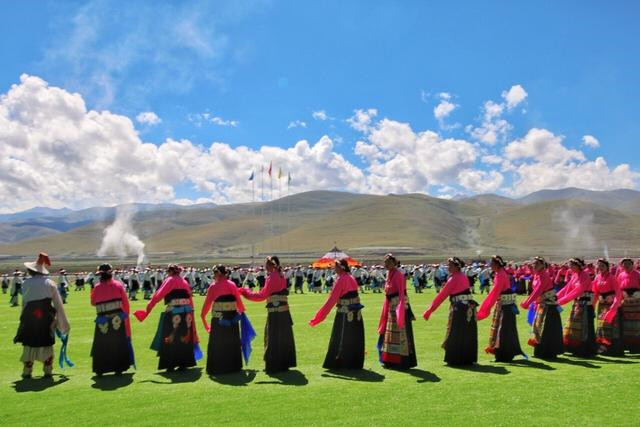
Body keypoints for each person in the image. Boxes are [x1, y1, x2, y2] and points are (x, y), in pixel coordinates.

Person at [134, 265, 202, 372]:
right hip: (187, 313)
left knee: (171, 337)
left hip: (174, 313)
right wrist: (191, 312)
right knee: (184, 336)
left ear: (170, 272)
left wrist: (148, 309)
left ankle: (171, 364)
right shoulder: (184, 281)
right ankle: (183, 363)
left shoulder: (170, 280)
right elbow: (189, 297)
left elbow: (158, 295)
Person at [14, 253, 70, 379]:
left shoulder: (26, 283)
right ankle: (47, 369)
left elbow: (25, 302)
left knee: (29, 341)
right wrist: (62, 322)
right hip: (46, 317)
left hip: (29, 317)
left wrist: (23, 318)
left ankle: (27, 370)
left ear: (31, 271)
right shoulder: (50, 283)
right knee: (46, 341)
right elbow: (58, 303)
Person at [239, 256, 296, 373]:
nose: (265, 267)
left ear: (271, 265)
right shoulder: (280, 274)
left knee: (273, 337)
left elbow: (262, 295)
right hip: (283, 312)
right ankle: (284, 363)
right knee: (283, 336)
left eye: (267, 265)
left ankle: (274, 364)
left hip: (275, 313)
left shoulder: (273, 276)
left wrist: (245, 292)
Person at [309, 259, 365, 370]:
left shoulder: (342, 279)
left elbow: (332, 299)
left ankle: (341, 363)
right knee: (354, 337)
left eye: (336, 266)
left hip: (345, 313)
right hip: (355, 313)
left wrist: (319, 316)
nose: (334, 268)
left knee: (342, 337)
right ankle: (354, 362)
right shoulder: (351, 277)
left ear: (341, 268)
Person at [201, 265, 256, 375]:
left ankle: (218, 366)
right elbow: (238, 301)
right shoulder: (232, 284)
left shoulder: (213, 287)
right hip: (232, 319)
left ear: (218, 273)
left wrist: (203, 316)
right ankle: (233, 366)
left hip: (219, 319)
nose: (213, 275)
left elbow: (207, 304)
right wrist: (241, 311)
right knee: (232, 341)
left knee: (218, 342)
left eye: (214, 272)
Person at [423, 257, 478, 366]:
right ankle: (467, 358)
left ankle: (456, 358)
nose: (448, 267)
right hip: (468, 307)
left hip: (460, 308)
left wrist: (430, 310)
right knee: (467, 333)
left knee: (456, 333)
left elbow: (442, 295)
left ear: (457, 267)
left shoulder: (454, 278)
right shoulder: (462, 276)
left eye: (450, 265)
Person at [477, 255, 526, 362]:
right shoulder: (500, 273)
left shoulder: (500, 275)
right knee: (504, 328)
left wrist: (484, 309)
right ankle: (503, 353)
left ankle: (503, 354)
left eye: (492, 264)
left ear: (497, 264)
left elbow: (494, 293)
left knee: (503, 329)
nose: (490, 266)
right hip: (505, 304)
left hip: (505, 305)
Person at [90, 264, 134, 376]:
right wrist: (125, 317)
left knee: (102, 344)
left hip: (102, 320)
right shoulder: (118, 285)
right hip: (117, 320)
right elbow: (125, 304)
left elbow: (93, 303)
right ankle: (118, 367)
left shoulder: (97, 287)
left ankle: (101, 369)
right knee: (118, 343)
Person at [377, 254, 417, 369]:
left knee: (400, 333)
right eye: (385, 262)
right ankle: (390, 360)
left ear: (395, 263)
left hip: (398, 306)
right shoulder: (389, 274)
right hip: (391, 306)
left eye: (389, 262)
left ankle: (401, 361)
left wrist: (400, 311)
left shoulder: (399, 275)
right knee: (390, 334)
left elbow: (401, 293)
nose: (386, 264)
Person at [520, 257, 564, 359]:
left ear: (543, 265)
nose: (534, 265)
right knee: (538, 327)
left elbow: (538, 291)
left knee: (546, 328)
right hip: (542, 305)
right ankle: (540, 351)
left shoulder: (544, 275)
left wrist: (527, 303)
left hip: (549, 306)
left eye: (537, 264)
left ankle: (548, 352)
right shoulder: (537, 275)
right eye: (533, 264)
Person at [557, 258, 597, 358]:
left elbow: (578, 290)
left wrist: (561, 301)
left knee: (584, 326)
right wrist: (555, 297)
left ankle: (585, 349)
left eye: (572, 265)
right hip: (578, 303)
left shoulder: (585, 275)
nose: (570, 268)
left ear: (578, 266)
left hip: (586, 304)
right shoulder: (575, 275)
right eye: (570, 266)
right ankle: (573, 347)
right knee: (573, 325)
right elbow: (567, 288)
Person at [592, 258, 623, 356]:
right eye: (598, 265)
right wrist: (592, 306)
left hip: (611, 305)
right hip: (601, 306)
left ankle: (613, 349)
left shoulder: (612, 277)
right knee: (601, 326)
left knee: (612, 327)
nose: (600, 267)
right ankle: (602, 347)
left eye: (602, 266)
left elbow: (618, 293)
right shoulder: (597, 277)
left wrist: (614, 306)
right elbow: (595, 293)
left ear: (607, 267)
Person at [617, 258, 640, 353]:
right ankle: (626, 344)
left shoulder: (638, 274)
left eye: (628, 264)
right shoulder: (620, 275)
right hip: (625, 302)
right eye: (624, 264)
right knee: (625, 322)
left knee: (637, 323)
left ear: (633, 265)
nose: (626, 266)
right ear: (621, 266)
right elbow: (618, 288)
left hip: (637, 301)